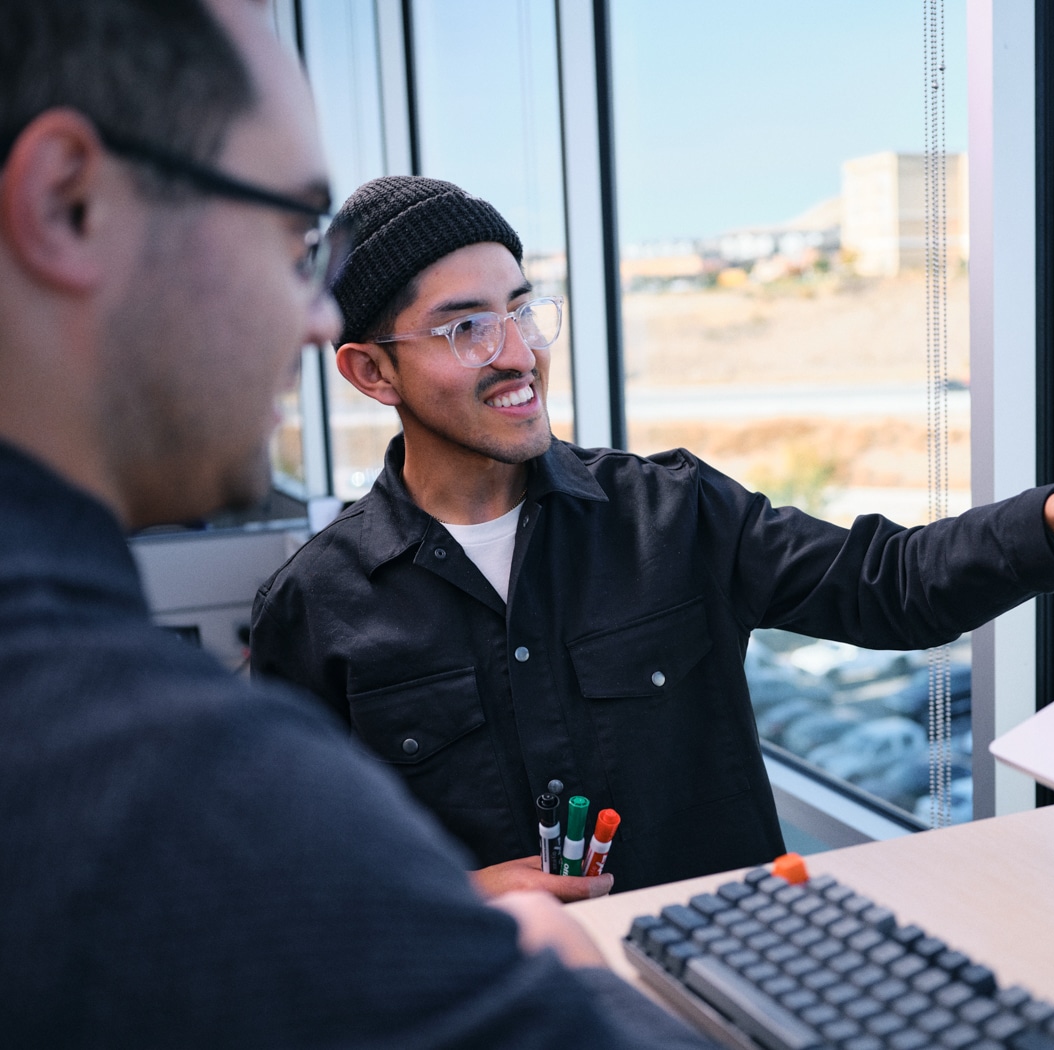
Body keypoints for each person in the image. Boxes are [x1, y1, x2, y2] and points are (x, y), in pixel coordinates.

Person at [249, 174, 1054, 899]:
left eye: (525, 308)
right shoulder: (313, 607)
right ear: (369, 373)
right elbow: (283, 868)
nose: (519, 352)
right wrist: (454, 895)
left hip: (728, 974)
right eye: (464, 326)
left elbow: (888, 586)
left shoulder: (672, 514)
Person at [0, 1, 719, 1045]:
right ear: (68, 205)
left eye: (520, 310)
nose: (316, 314)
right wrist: (558, 975)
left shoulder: (669, 505)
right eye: (290, 237)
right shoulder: (159, 776)